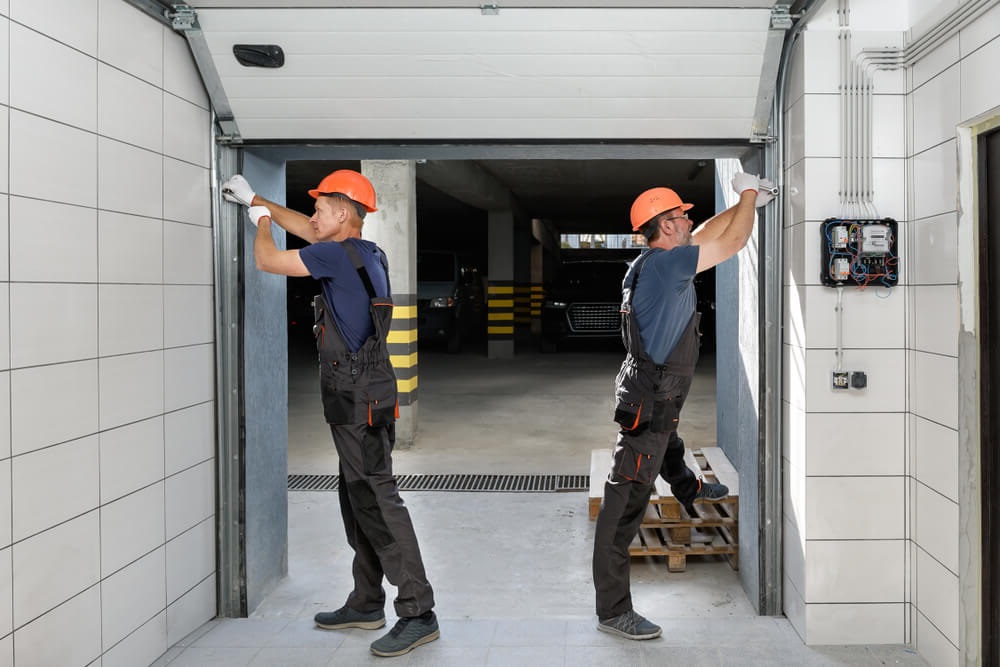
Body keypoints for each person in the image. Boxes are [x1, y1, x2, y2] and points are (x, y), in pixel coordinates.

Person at [221, 170, 439, 658]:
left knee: (378, 501)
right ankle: (366, 602)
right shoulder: (366, 253)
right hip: (368, 395)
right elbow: (308, 230)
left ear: (343, 212)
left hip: (355, 396)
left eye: (321, 207)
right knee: (357, 496)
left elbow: (267, 259)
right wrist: (256, 198)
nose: (313, 213)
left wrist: (259, 221)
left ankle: (419, 611)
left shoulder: (332, 256)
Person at [592, 172, 774, 640]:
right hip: (651, 397)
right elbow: (731, 243)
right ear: (666, 226)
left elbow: (711, 232)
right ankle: (614, 611)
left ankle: (689, 489)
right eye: (682, 217)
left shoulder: (657, 260)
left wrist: (746, 203)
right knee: (624, 504)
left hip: (653, 392)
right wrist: (748, 197)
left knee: (667, 442)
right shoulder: (667, 267)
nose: (689, 221)